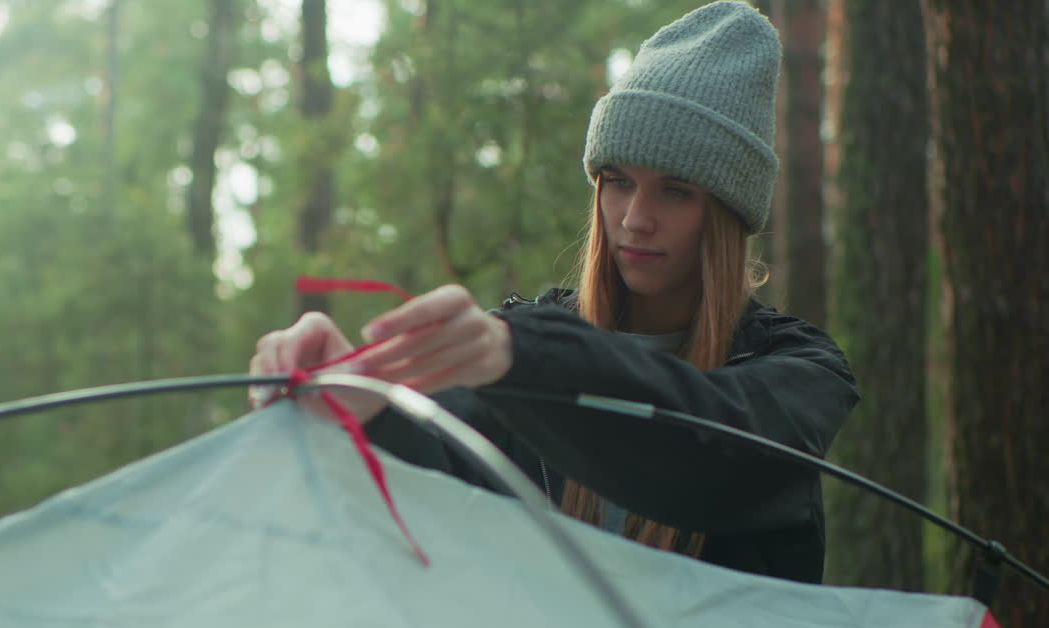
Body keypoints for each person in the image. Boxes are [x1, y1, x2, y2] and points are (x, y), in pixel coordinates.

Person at [248, 1, 858, 583]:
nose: (636, 217)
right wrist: (364, 405)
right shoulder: (522, 345)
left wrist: (526, 358)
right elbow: (438, 463)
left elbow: (710, 455)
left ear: (726, 214)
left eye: (676, 191)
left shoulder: (798, 371)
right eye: (618, 182)